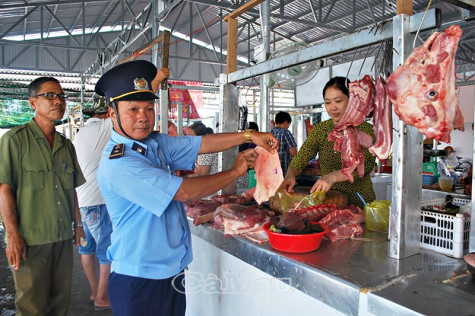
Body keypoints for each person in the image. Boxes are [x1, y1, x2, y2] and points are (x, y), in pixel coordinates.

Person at [93, 60, 278, 316]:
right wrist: (235, 172)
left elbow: (200, 144)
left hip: (170, 271)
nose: (143, 117)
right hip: (139, 277)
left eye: (149, 108)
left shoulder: (153, 142)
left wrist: (248, 136)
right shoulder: (121, 162)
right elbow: (183, 192)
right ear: (113, 114)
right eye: (133, 109)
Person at [0, 77, 86, 315]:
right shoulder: (15, 140)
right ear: (33, 102)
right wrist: (12, 233)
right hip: (30, 239)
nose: (57, 101)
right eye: (49, 96)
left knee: (60, 304)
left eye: (61, 96)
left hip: (61, 236)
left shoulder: (65, 145)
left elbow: (71, 189)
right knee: (31, 307)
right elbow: (4, 188)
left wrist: (78, 224)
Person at [281, 76, 376, 208]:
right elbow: (302, 156)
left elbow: (366, 165)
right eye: (328, 102)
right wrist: (290, 174)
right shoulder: (321, 129)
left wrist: (332, 177)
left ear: (351, 100)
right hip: (329, 201)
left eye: (338, 101)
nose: (333, 108)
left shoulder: (366, 130)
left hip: (359, 201)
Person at [73, 96, 114, 311]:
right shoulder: (103, 128)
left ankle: (93, 291)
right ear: (108, 113)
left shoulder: (82, 133)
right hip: (98, 202)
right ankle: (102, 297)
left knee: (87, 248)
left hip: (82, 201)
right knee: (107, 249)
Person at [271, 111, 298, 176]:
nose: (288, 126)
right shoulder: (285, 132)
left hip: (272, 169)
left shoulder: (271, 132)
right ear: (286, 122)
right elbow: (294, 153)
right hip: (283, 170)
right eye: (289, 124)